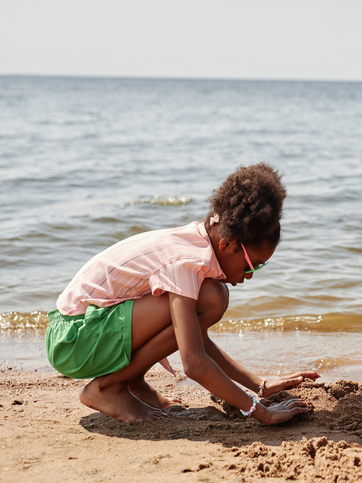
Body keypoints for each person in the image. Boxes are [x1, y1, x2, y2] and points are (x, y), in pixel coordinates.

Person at [46, 163, 320, 423]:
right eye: (253, 265)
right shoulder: (188, 264)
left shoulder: (197, 242)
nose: (249, 276)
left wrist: (259, 385)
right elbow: (194, 362)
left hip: (82, 329)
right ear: (227, 244)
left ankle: (132, 381)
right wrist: (261, 412)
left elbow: (195, 341)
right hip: (73, 340)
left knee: (206, 300)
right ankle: (107, 388)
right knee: (213, 298)